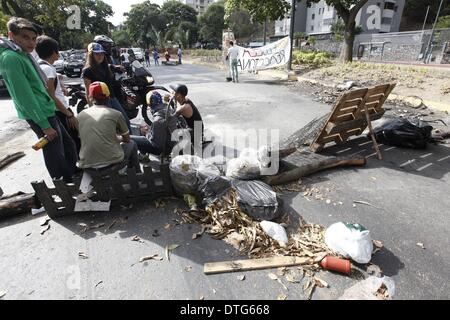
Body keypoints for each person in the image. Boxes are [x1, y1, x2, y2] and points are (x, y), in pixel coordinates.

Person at [0, 17, 77, 183]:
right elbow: (24, 96)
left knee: (68, 146)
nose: (31, 42)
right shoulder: (11, 58)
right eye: (25, 37)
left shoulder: (22, 54)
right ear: (11, 35)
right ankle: (64, 186)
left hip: (47, 110)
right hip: (40, 114)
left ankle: (72, 178)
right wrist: (44, 125)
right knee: (55, 154)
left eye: (33, 39)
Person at [77, 81, 141, 173]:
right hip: (111, 164)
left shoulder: (80, 115)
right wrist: (116, 138)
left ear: (90, 98)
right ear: (108, 97)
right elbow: (126, 139)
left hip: (87, 166)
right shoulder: (116, 114)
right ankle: (137, 175)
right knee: (132, 144)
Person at [35, 35, 81, 154]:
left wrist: (60, 84)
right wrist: (68, 114)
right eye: (57, 50)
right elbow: (51, 96)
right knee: (73, 140)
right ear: (54, 52)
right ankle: (76, 167)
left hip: (56, 110)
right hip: (60, 111)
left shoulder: (40, 66)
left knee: (69, 141)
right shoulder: (48, 70)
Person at [82, 42, 131, 132]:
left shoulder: (106, 67)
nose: (100, 56)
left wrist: (117, 67)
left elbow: (112, 67)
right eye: (96, 54)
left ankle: (131, 143)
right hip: (100, 102)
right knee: (109, 127)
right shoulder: (87, 71)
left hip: (112, 98)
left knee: (125, 121)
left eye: (101, 53)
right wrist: (91, 109)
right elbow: (88, 92)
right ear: (91, 55)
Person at [131, 91, 177, 156]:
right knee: (144, 128)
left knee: (131, 138)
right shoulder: (168, 109)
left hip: (163, 148)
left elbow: (156, 145)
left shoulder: (158, 120)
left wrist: (147, 134)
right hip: (170, 141)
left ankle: (142, 156)